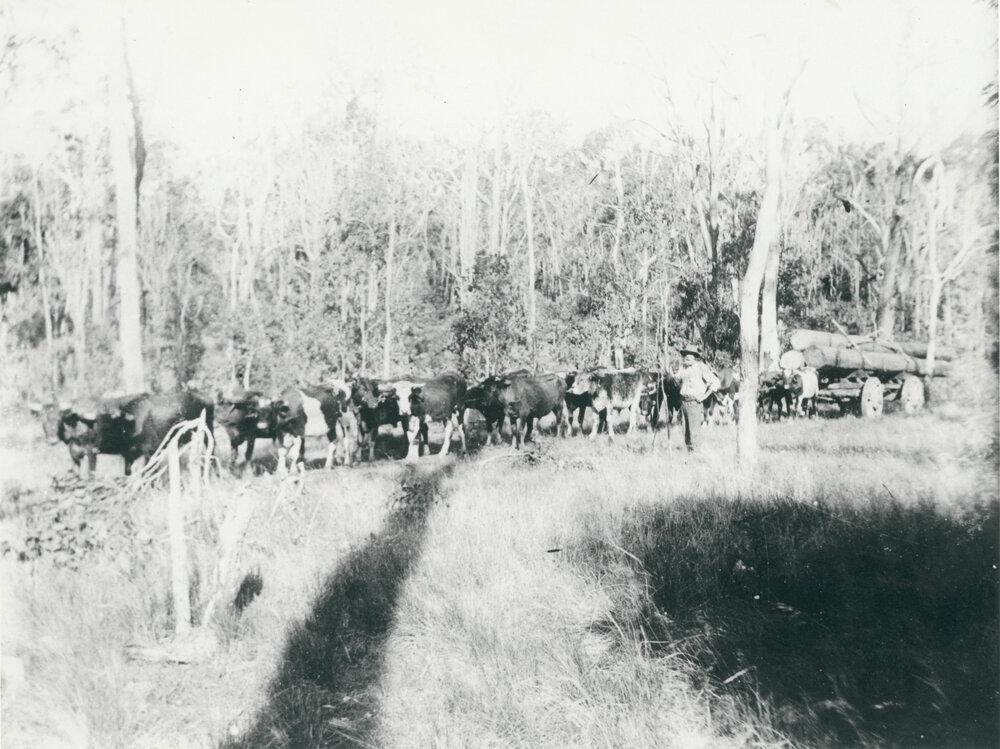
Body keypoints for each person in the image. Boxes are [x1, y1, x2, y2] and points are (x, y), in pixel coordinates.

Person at [676, 345, 720, 452]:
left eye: (690, 354)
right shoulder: (683, 368)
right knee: (685, 432)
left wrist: (704, 396)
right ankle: (689, 455)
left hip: (695, 403)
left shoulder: (701, 368)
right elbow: (677, 379)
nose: (687, 357)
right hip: (684, 403)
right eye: (685, 354)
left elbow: (715, 382)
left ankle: (696, 455)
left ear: (695, 356)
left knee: (694, 433)